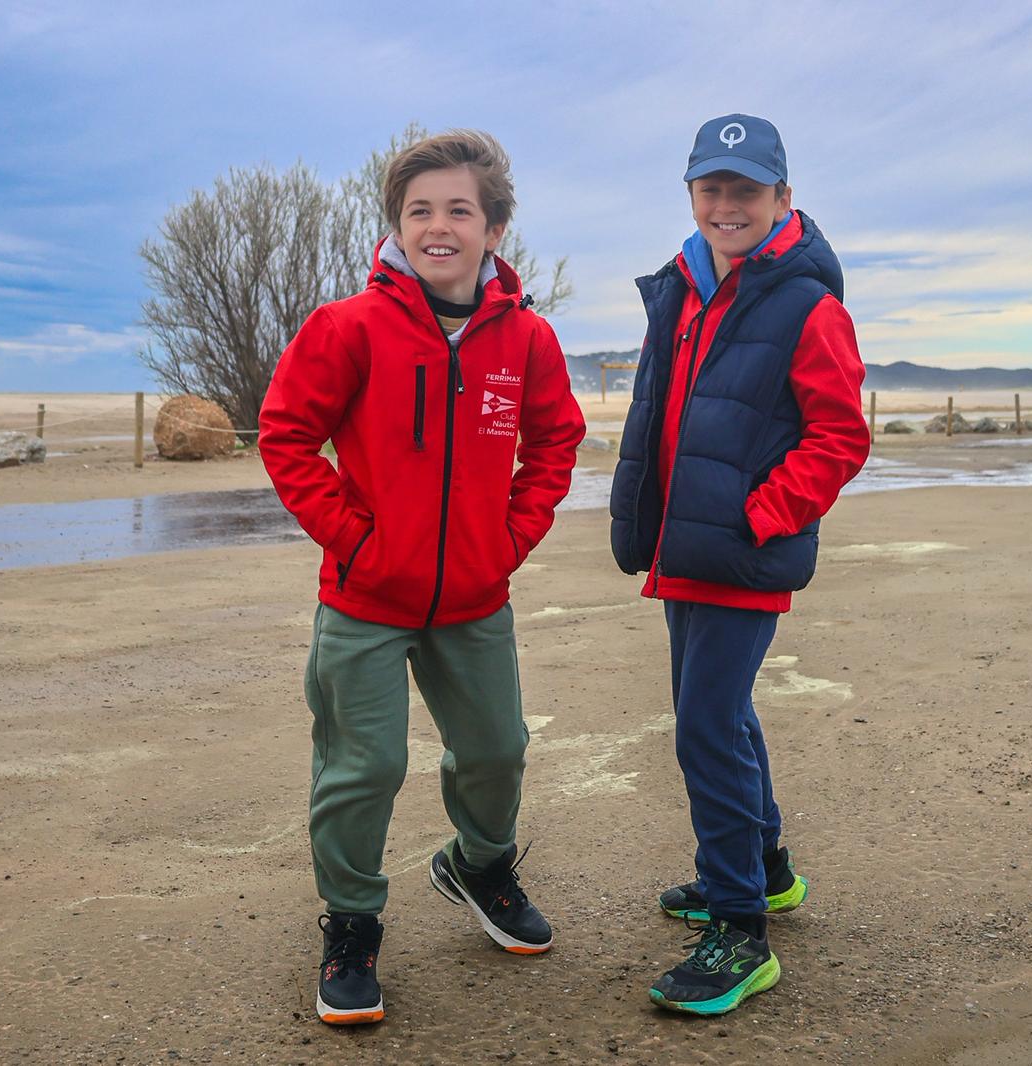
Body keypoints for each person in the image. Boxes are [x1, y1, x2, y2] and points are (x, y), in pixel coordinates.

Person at [259, 129, 586, 1025]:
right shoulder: (347, 328)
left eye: (459, 210)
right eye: (420, 211)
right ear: (397, 227)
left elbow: (555, 443)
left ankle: (480, 866)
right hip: (365, 599)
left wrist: (508, 539)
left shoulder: (526, 339)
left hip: (475, 598)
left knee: (497, 750)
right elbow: (286, 436)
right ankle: (352, 923)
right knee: (364, 765)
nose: (439, 226)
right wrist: (354, 541)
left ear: (494, 228)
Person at [609, 113, 871, 1015]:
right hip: (683, 547)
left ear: (782, 197)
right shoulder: (683, 290)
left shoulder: (808, 306)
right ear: (691, 194)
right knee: (722, 714)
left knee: (705, 728)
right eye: (711, 188)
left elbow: (840, 437)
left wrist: (763, 515)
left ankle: (740, 929)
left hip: (740, 551)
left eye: (747, 190)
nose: (728, 205)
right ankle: (768, 870)